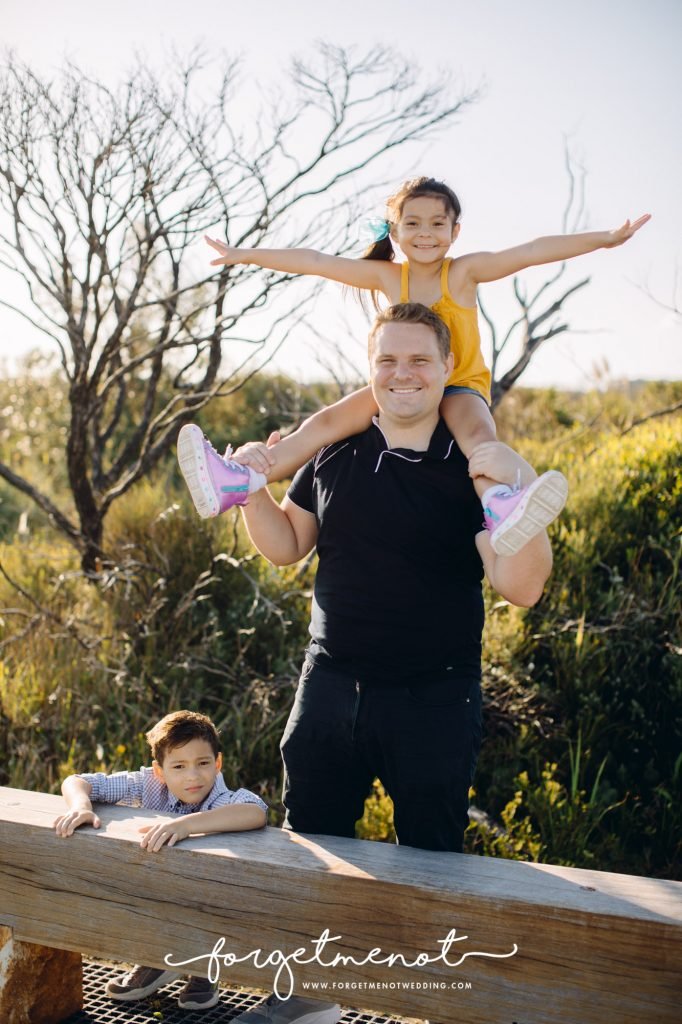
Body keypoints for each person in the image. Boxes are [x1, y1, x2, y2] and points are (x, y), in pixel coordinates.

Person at [226, 302, 553, 1024]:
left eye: (418, 361)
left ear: (446, 372)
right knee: (313, 846)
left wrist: (517, 502)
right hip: (331, 684)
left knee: (431, 861)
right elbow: (286, 545)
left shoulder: (470, 469)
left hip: (434, 698)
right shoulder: (334, 454)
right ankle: (308, 999)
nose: (402, 374)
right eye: (387, 361)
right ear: (369, 371)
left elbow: (521, 587)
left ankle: (433, 1007)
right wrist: (254, 493)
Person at [177, 176, 649, 556]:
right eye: (414, 224)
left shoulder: (462, 272)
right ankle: (238, 480)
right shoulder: (388, 276)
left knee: (480, 443)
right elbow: (314, 261)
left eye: (437, 224)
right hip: (398, 385)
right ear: (395, 231)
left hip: (459, 387)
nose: (426, 234)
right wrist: (245, 256)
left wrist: (604, 240)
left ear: (455, 231)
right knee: (321, 424)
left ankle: (500, 506)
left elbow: (528, 251)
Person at [53, 709, 267, 1012]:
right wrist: (81, 805)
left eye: (203, 763)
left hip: (211, 910)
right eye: (178, 766)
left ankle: (204, 967)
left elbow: (255, 812)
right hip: (159, 904)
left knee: (208, 893)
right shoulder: (147, 784)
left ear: (218, 764)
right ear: (159, 771)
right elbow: (77, 780)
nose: (193, 776)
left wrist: (185, 825)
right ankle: (157, 959)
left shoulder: (223, 799)